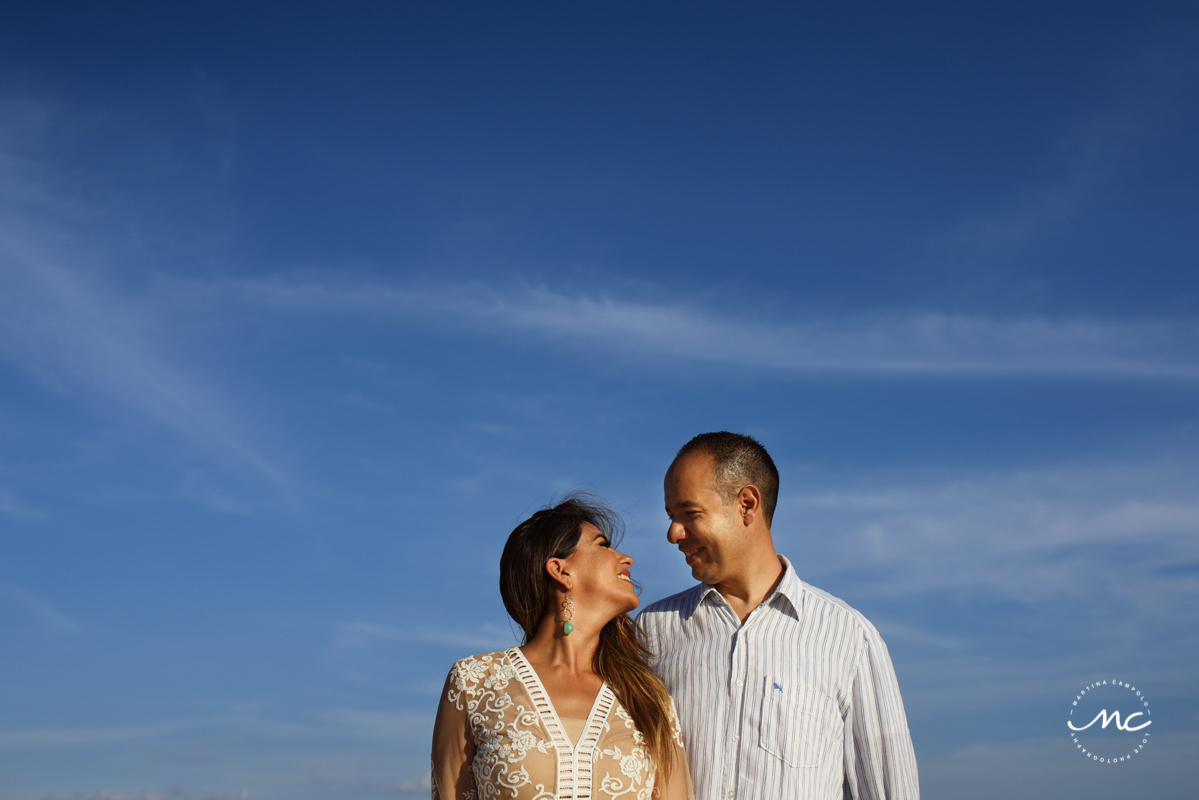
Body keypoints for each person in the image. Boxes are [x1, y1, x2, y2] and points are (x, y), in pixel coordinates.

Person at [638, 432, 920, 800]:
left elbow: (888, 790)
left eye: (689, 513)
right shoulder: (652, 631)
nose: (673, 533)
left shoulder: (850, 638)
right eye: (671, 516)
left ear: (747, 504)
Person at [431, 495, 692, 800]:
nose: (626, 559)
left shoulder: (647, 695)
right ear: (560, 570)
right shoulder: (474, 682)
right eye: (602, 545)